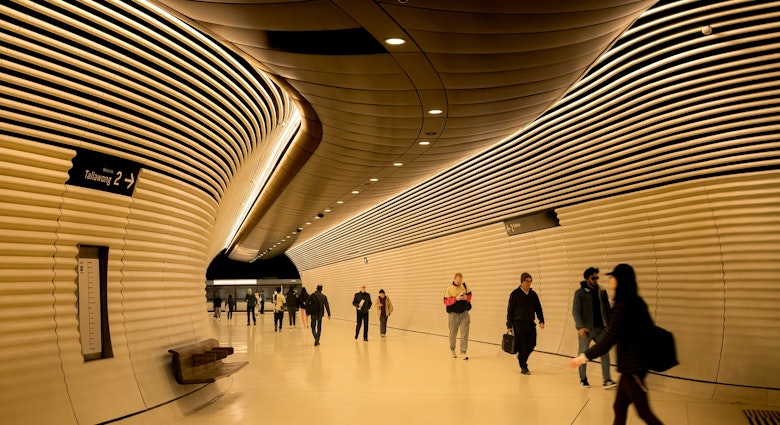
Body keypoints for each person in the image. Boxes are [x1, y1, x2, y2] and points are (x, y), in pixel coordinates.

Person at [569, 264, 663, 425]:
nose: (610, 280)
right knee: (619, 407)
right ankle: (585, 378)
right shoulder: (636, 301)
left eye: (613, 277)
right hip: (632, 366)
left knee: (643, 412)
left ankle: (606, 379)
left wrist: (581, 358)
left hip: (633, 367)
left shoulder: (623, 305)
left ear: (622, 280)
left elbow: (606, 343)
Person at [573, 267, 616, 389]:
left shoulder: (601, 292)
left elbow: (607, 310)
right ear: (587, 278)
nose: (596, 280)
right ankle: (583, 378)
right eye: (593, 278)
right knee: (583, 353)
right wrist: (580, 327)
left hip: (601, 329)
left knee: (605, 352)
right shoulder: (580, 293)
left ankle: (607, 380)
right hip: (586, 329)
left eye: (597, 277)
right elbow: (576, 311)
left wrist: (610, 325)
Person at [506, 272, 545, 375]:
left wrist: (541, 320)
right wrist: (509, 325)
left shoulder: (533, 294)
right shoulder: (515, 294)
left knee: (532, 344)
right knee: (522, 346)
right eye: (527, 281)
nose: (529, 283)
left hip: (530, 323)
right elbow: (510, 311)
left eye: (530, 281)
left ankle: (521, 357)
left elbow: (538, 308)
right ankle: (524, 367)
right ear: (522, 282)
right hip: (518, 324)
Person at [443, 272, 472, 359]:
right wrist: (455, 299)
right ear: (454, 279)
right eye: (458, 281)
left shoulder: (465, 286)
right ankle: (452, 350)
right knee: (453, 334)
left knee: (464, 333)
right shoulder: (449, 288)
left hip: (464, 313)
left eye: (460, 281)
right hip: (453, 314)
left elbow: (470, 296)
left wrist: (465, 297)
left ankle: (463, 352)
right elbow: (445, 301)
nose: (459, 283)